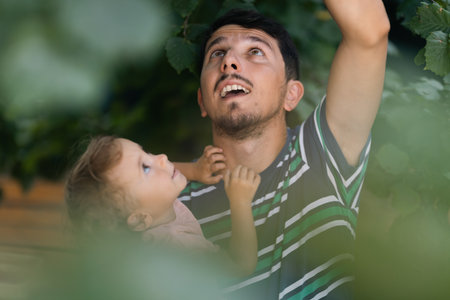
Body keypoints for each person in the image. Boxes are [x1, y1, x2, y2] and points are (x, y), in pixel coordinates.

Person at [178, 1, 390, 299]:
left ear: (291, 94)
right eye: (217, 53)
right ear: (202, 101)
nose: (229, 63)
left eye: (255, 52)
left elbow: (369, 32)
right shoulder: (172, 196)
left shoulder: (320, 153)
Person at [64, 136, 260, 277]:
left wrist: (195, 170)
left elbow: (155, 176)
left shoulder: (146, 211)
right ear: (141, 219)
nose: (163, 157)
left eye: (146, 152)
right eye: (146, 168)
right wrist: (240, 201)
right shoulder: (179, 247)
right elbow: (240, 265)